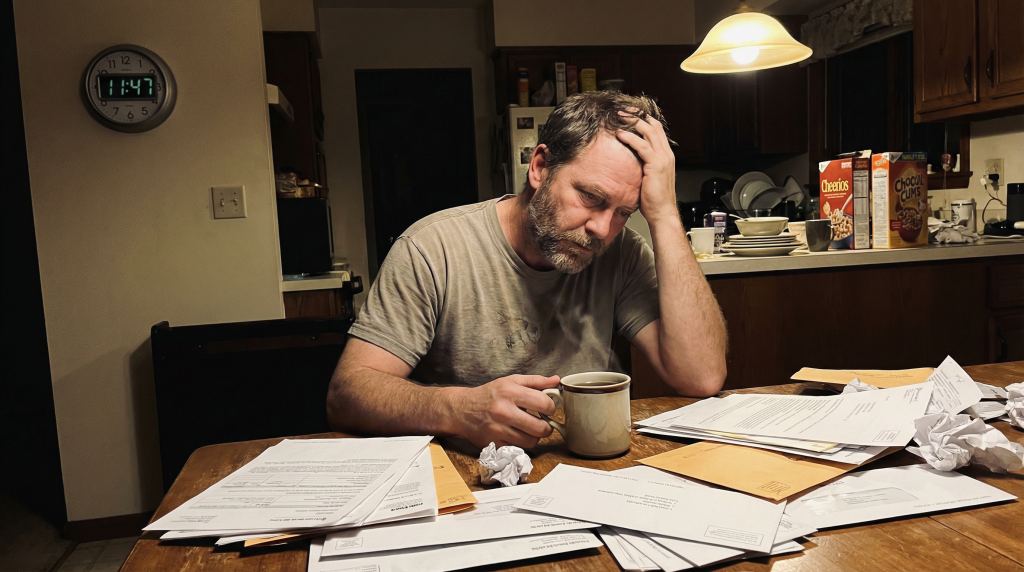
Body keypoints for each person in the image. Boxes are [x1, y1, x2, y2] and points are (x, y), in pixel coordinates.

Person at [327, 92, 727, 449]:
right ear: (540, 167)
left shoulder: (621, 253)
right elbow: (348, 393)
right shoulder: (433, 248)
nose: (602, 230)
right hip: (466, 477)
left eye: (624, 213)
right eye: (590, 197)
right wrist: (459, 409)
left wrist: (665, 215)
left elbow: (702, 377)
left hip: (586, 470)